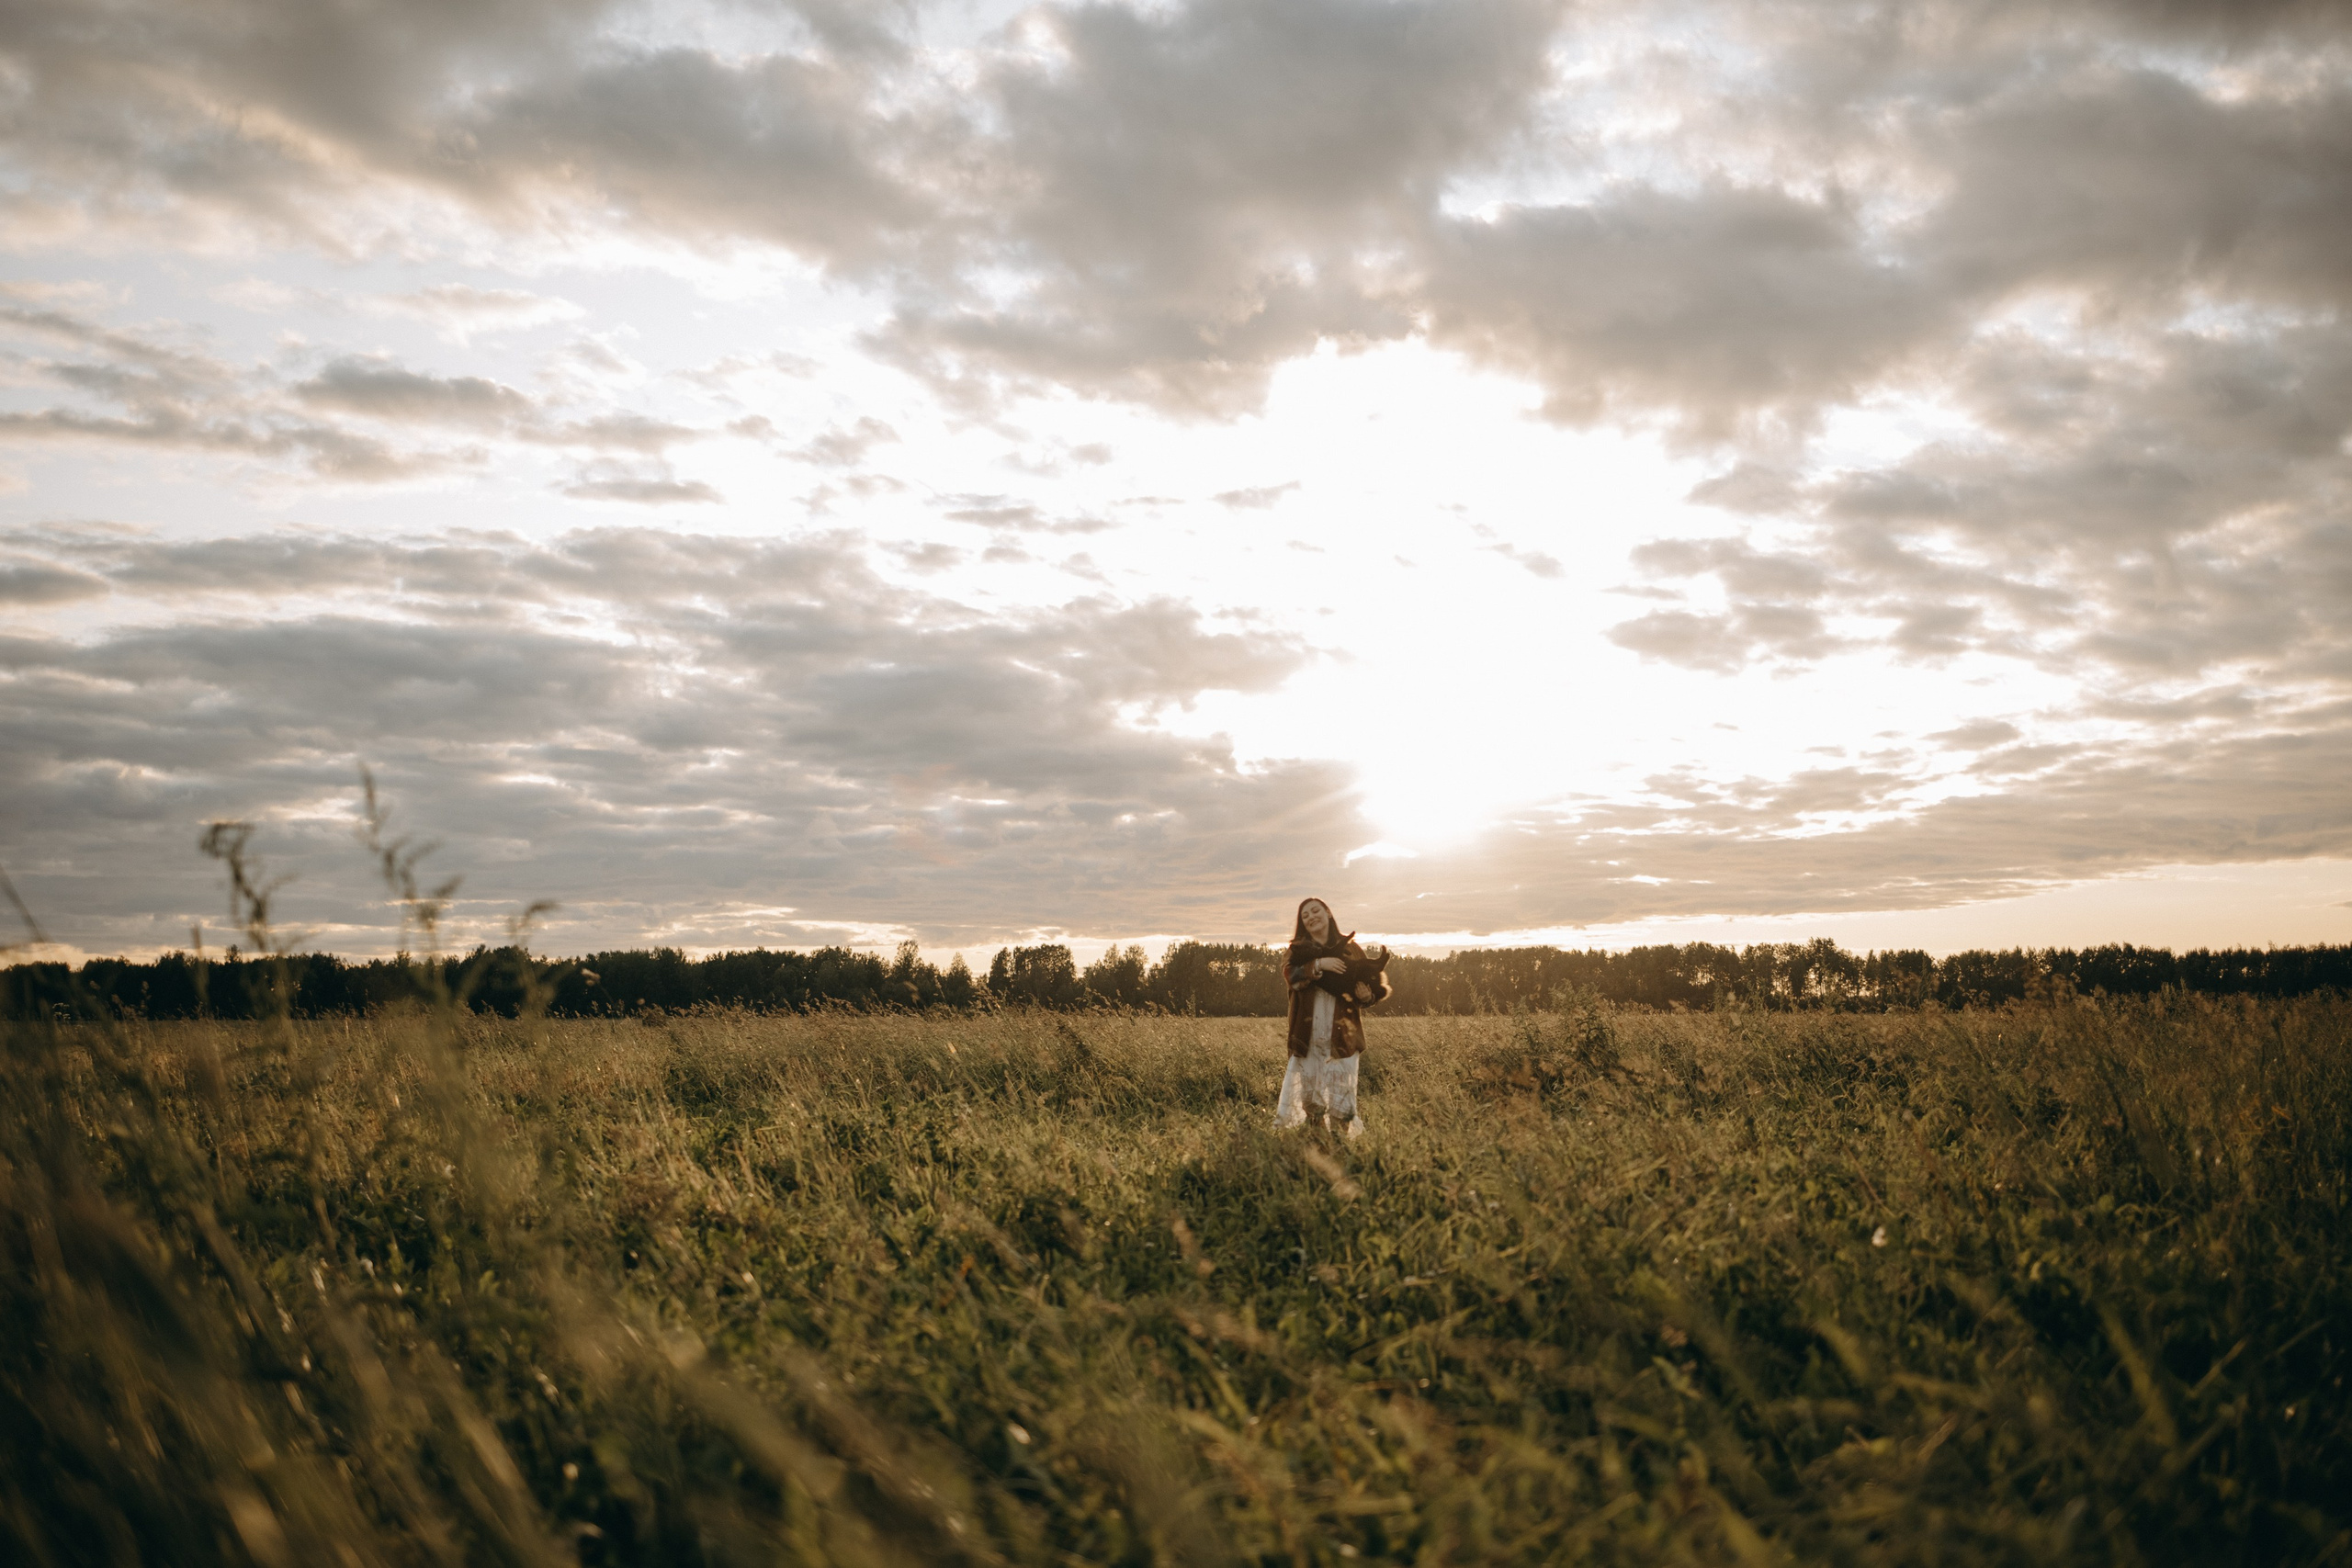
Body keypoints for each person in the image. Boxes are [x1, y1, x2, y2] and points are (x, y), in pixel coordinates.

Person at [1275, 897, 1390, 1136]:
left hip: (1342, 1036)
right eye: (1305, 915)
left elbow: (1367, 991)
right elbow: (1290, 975)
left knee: (1342, 1098)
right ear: (1303, 923)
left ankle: (1340, 1145)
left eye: (1315, 911)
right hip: (1308, 1033)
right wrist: (1319, 964)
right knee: (1312, 1100)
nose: (1311, 917)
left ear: (1328, 913)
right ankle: (1319, 1143)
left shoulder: (1352, 949)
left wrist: (1366, 995)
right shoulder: (1296, 951)